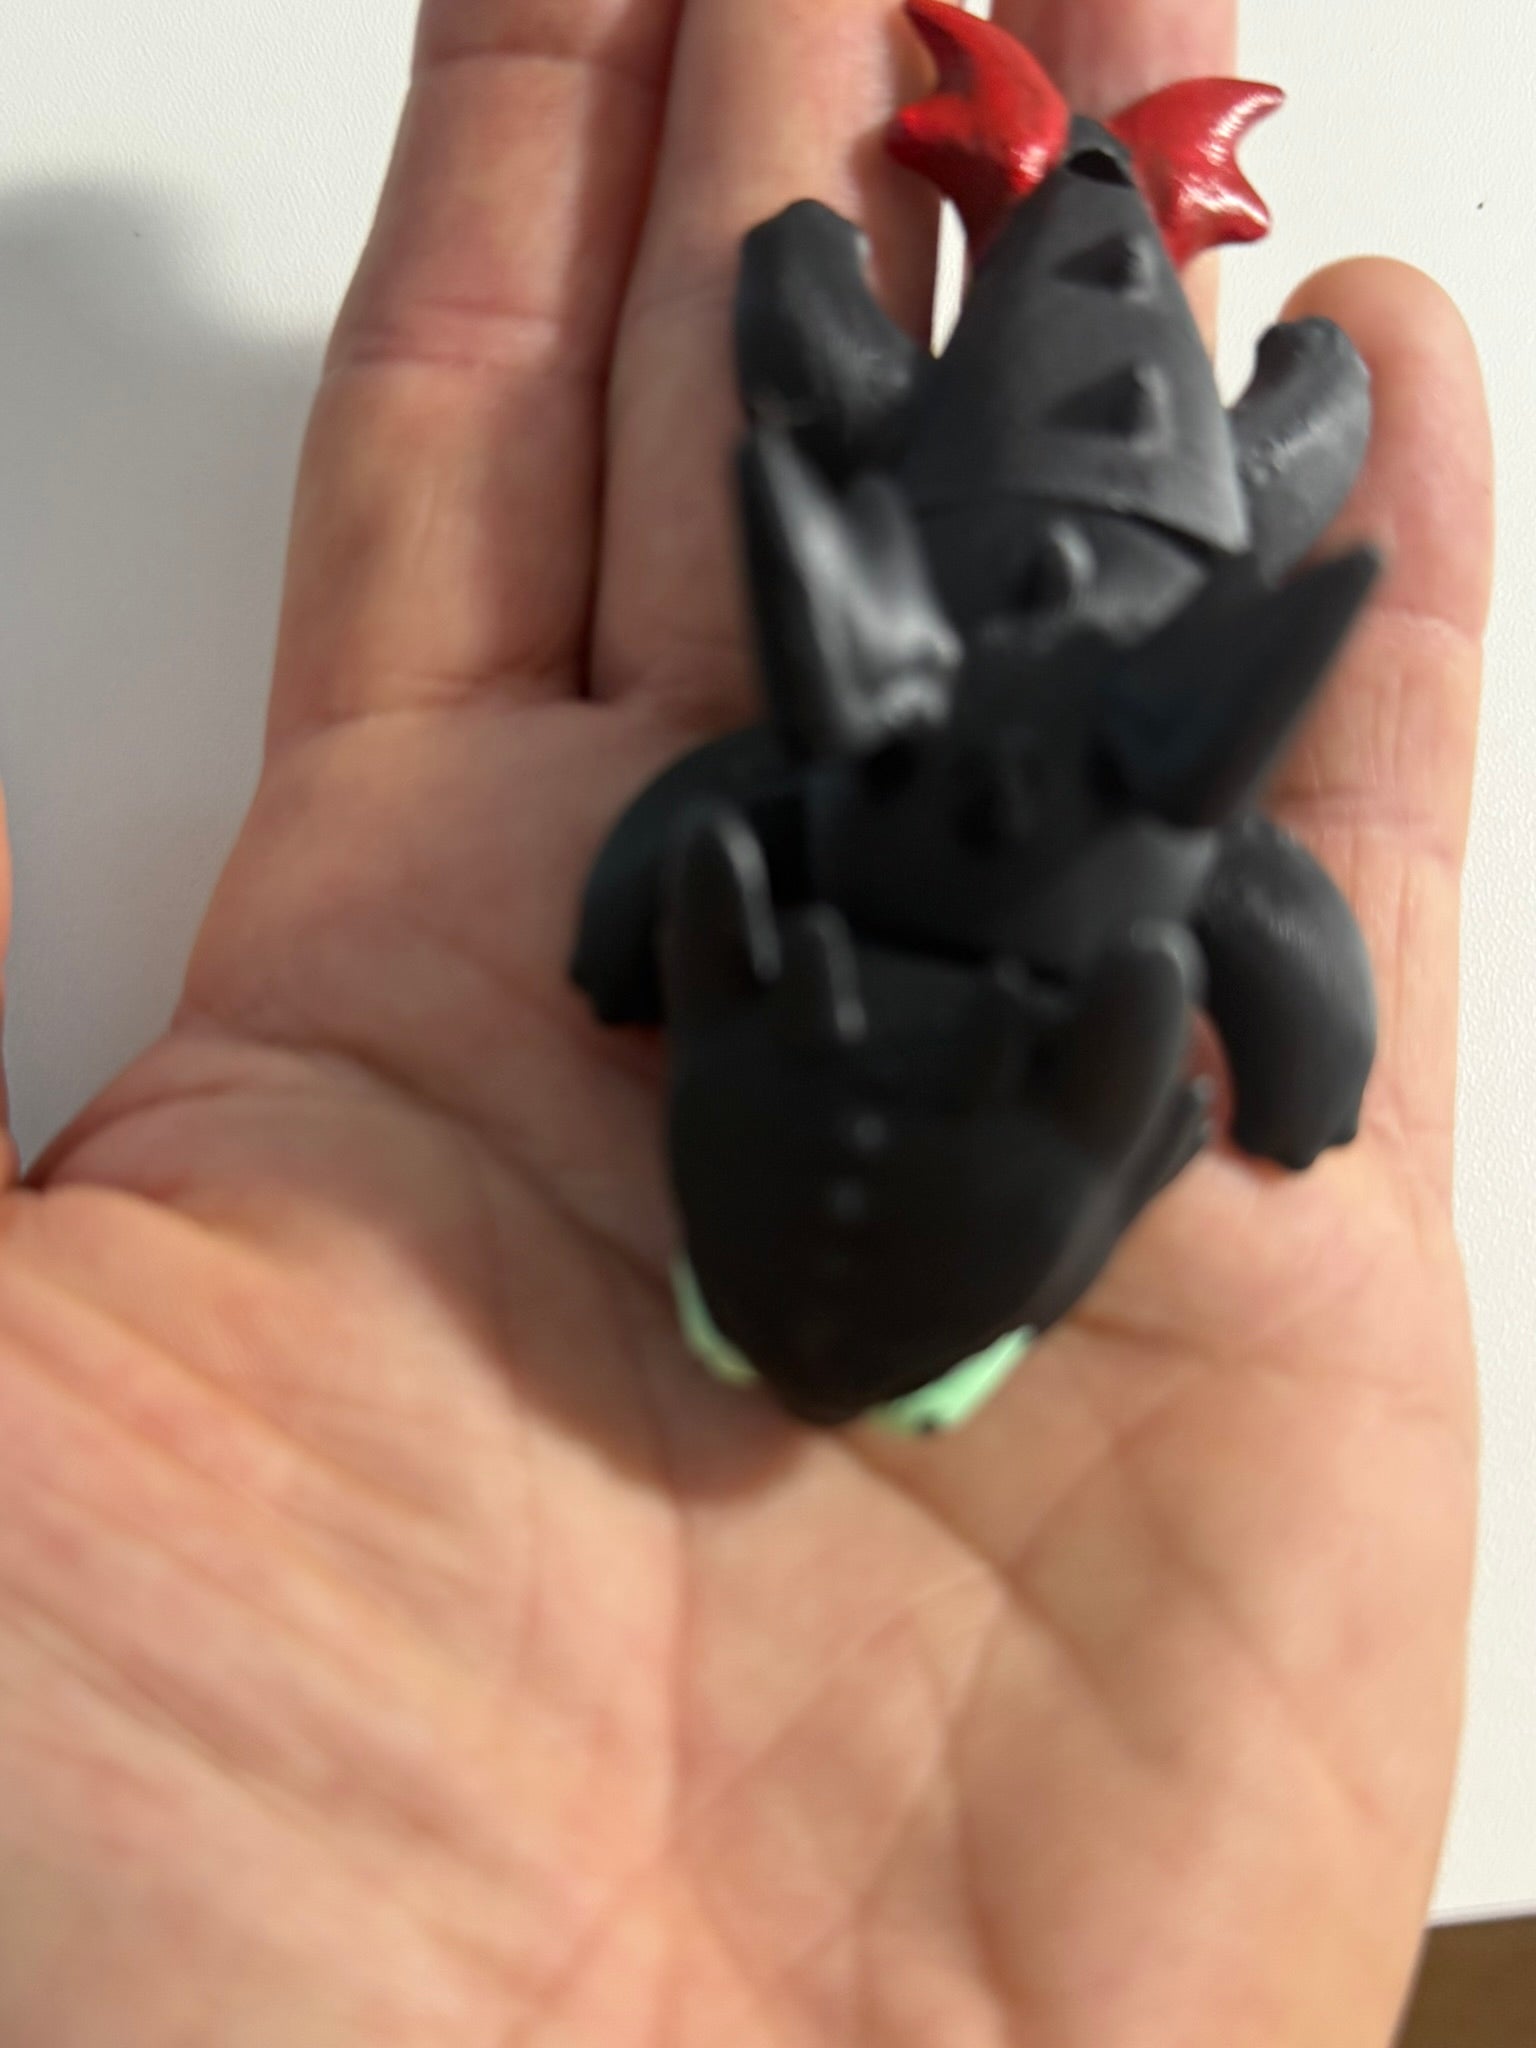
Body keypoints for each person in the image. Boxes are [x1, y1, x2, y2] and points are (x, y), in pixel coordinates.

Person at [0, 0, 1493, 2039]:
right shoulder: (1112, 682)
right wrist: (1300, 1097)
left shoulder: (1001, 725)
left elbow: (832, 345)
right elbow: (1284, 432)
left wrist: (1301, 1081)